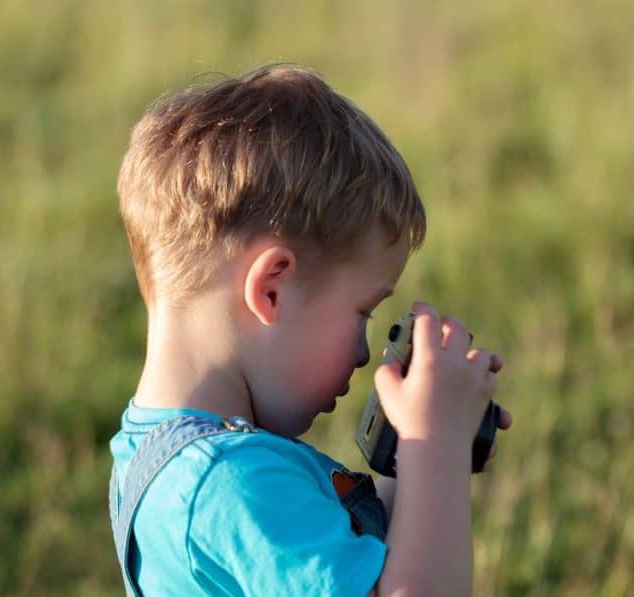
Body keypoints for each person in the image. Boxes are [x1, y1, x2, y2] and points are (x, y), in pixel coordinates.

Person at [108, 63, 512, 596]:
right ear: (272, 288)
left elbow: (378, 569)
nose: (365, 355)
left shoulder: (174, 460)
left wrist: (406, 450)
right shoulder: (228, 486)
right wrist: (433, 442)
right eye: (361, 313)